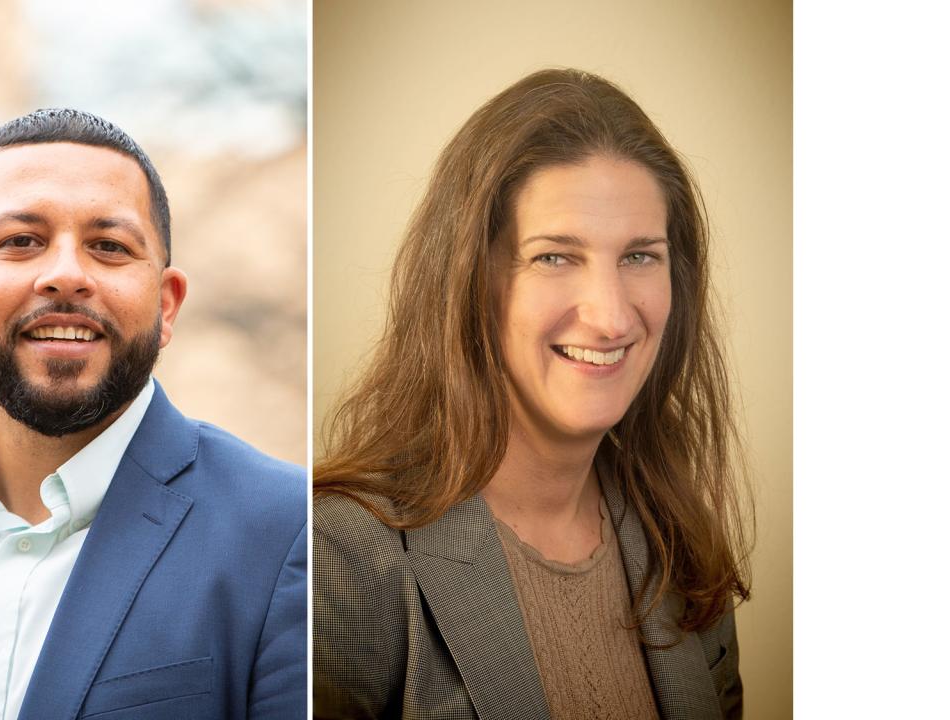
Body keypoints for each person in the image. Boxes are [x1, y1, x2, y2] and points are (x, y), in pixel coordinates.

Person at [0, 109, 307, 720]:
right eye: (20, 241)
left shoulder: (287, 533)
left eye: (109, 247)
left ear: (166, 306)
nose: (65, 275)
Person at [313, 69, 750, 719]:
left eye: (639, 256)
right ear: (469, 280)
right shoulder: (339, 556)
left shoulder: (678, 536)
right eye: (555, 257)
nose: (610, 317)